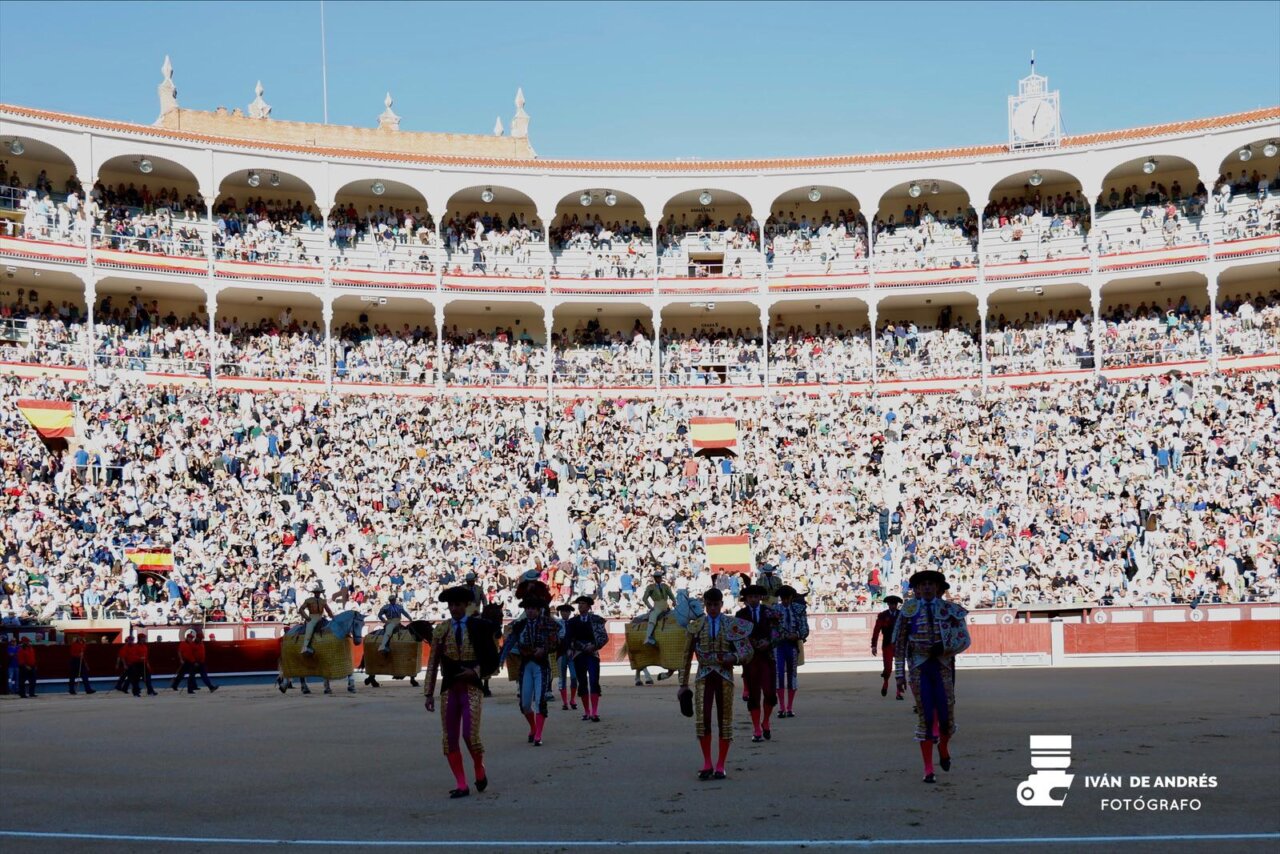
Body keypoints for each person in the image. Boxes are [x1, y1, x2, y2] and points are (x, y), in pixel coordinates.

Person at [893, 570, 972, 784]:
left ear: (938, 588)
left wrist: (946, 647)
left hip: (943, 666)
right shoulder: (907, 611)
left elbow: (964, 639)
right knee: (926, 716)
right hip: (919, 667)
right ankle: (928, 769)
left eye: (931, 584)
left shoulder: (950, 610)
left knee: (947, 718)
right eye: (923, 584)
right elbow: (899, 645)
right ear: (916, 589)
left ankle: (943, 746)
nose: (927, 587)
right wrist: (899, 674)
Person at [424, 586, 500, 799]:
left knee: (470, 735)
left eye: (458, 605)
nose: (454, 608)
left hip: (471, 688)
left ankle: (478, 768)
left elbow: (492, 658)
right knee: (449, 738)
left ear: (466, 606)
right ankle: (461, 784)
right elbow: (433, 663)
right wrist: (428, 693)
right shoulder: (442, 629)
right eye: (451, 605)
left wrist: (476, 671)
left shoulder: (479, 627)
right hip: (449, 689)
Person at [679, 588, 753, 780]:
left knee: (724, 719)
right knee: (702, 720)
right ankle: (707, 763)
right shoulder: (696, 626)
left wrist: (734, 657)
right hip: (703, 676)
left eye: (716, 604)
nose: (712, 608)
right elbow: (686, 657)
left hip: (724, 677)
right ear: (705, 605)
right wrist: (683, 684)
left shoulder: (731, 624)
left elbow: (747, 651)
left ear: (722, 604)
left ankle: (720, 764)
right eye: (709, 605)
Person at [504, 597, 558, 745]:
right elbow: (508, 641)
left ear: (539, 609)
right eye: (528, 608)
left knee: (540, 701)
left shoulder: (548, 623)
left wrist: (544, 649)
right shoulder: (519, 625)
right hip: (526, 666)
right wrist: (501, 658)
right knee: (525, 704)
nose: (530, 611)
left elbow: (556, 641)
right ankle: (533, 727)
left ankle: (538, 735)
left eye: (533, 608)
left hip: (541, 666)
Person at [735, 584, 780, 742]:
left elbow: (777, 632)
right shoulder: (740, 614)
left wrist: (769, 642)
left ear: (760, 597)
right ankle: (756, 728)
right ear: (746, 599)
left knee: (769, 693)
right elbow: (738, 636)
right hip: (751, 659)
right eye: (750, 597)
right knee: (754, 694)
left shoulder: (770, 612)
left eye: (756, 596)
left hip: (767, 657)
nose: (753, 599)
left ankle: (766, 721)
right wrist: (750, 644)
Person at [563, 594, 608, 722]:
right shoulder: (572, 622)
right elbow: (568, 639)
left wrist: (594, 646)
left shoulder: (596, 620)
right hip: (579, 654)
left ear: (588, 607)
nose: (580, 605)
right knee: (582, 682)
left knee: (594, 681)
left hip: (592, 654)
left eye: (583, 603)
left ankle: (594, 712)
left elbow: (604, 637)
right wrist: (582, 647)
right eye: (579, 603)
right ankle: (587, 711)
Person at [773, 585, 808, 717]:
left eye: (787, 598)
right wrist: (780, 636)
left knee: (792, 675)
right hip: (779, 646)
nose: (785, 601)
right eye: (783, 598)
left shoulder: (799, 609)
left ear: (791, 597)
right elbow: (772, 629)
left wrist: (798, 634)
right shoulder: (775, 610)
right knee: (779, 674)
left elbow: (805, 628)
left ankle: (789, 707)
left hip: (792, 646)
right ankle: (781, 707)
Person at [871, 595, 904, 700]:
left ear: (897, 605)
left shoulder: (902, 615)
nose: (893, 606)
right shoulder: (882, 615)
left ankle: (899, 692)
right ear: (888, 604)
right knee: (888, 668)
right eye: (891, 604)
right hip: (887, 644)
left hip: (899, 645)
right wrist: (873, 645)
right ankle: (885, 683)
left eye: (894, 604)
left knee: (900, 669)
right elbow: (876, 631)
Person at [172, 629, 218, 693]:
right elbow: (187, 653)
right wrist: (185, 660)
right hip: (191, 662)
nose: (191, 639)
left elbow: (201, 653)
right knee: (184, 675)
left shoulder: (200, 643)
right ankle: (180, 686)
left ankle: (210, 687)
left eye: (192, 638)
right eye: (190, 638)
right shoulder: (188, 644)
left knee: (201, 675)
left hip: (200, 663)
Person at [640, 568, 675, 647]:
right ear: (654, 578)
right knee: (653, 616)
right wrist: (650, 607)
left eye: (659, 577)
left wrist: (674, 601)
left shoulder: (665, 586)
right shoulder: (650, 587)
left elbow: (671, 595)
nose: (658, 578)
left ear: (661, 577)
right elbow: (644, 598)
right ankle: (648, 637)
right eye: (656, 577)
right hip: (657, 606)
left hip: (666, 606)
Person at [553, 603, 579, 710]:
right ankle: (565, 702)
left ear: (570, 613)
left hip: (572, 654)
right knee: (562, 678)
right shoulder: (556, 624)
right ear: (560, 613)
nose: (565, 613)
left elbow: (576, 638)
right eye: (563, 611)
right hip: (561, 653)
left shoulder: (573, 623)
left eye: (567, 611)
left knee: (574, 677)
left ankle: (572, 699)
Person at [299, 581, 334, 656]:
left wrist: (333, 618)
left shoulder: (323, 601)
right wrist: (306, 617)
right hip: (312, 617)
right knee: (310, 629)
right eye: (316, 592)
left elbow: (328, 610)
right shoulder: (309, 600)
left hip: (321, 617)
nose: (318, 594)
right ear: (314, 593)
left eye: (319, 592)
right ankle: (305, 647)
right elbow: (301, 609)